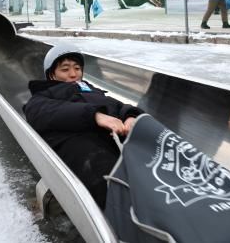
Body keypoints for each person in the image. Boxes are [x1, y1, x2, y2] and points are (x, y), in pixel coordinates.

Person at [24, 43, 144, 209]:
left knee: (148, 159)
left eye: (77, 68)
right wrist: (95, 116)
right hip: (82, 143)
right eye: (65, 69)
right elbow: (40, 112)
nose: (73, 74)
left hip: (113, 139)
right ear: (51, 74)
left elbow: (116, 105)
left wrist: (130, 116)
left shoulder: (92, 91)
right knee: (104, 170)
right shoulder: (44, 95)